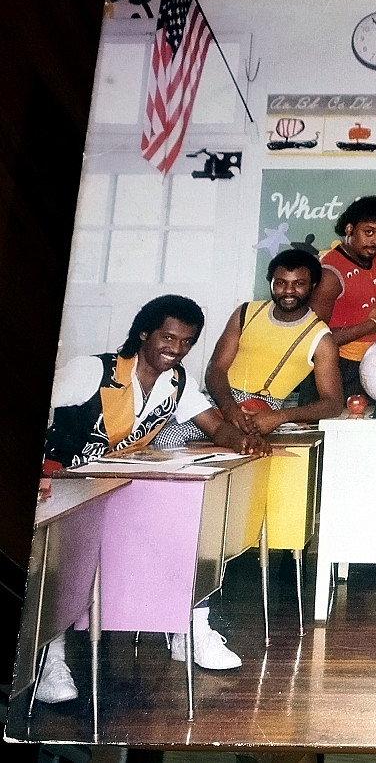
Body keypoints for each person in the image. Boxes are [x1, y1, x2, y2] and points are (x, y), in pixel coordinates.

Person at [37, 295, 269, 704]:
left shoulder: (176, 381)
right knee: (60, 559)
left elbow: (215, 426)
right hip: (64, 489)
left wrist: (244, 441)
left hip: (120, 488)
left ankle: (188, 631)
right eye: (168, 337)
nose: (176, 349)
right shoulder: (92, 370)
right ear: (144, 333)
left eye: (186, 342)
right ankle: (47, 661)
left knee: (189, 527)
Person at [205, 249, 344, 435]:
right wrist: (229, 408)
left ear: (313, 285)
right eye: (280, 283)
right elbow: (216, 368)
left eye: (299, 284)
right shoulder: (246, 312)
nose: (288, 291)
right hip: (220, 399)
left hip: (262, 413)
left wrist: (280, 417)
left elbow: (333, 404)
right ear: (270, 281)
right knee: (171, 435)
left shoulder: (320, 338)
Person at [310, 195, 376, 398]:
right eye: (369, 232)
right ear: (349, 228)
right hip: (342, 369)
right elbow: (312, 339)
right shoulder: (329, 274)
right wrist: (372, 325)